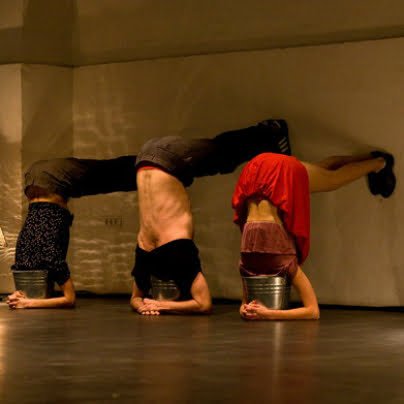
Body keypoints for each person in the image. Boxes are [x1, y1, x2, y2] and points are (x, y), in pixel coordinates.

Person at [130, 119, 291, 315]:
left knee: (222, 156)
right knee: (216, 158)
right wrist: (144, 305)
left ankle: (270, 132)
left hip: (168, 157)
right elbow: (135, 299)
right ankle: (267, 136)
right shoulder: (143, 252)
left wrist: (160, 305)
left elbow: (203, 303)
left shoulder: (179, 252)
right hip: (145, 159)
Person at [232, 151, 395, 320]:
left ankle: (379, 163)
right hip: (258, 166)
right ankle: (367, 157)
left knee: (331, 179)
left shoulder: (286, 264)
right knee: (321, 171)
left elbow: (312, 311)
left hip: (271, 172)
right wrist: (245, 309)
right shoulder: (246, 267)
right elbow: (244, 303)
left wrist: (269, 314)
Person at [7, 156, 137, 309]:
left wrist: (28, 303)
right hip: (33, 178)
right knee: (106, 176)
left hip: (52, 179)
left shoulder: (53, 261)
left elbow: (70, 299)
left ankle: (144, 163)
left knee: (108, 175)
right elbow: (22, 292)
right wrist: (18, 297)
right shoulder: (22, 258)